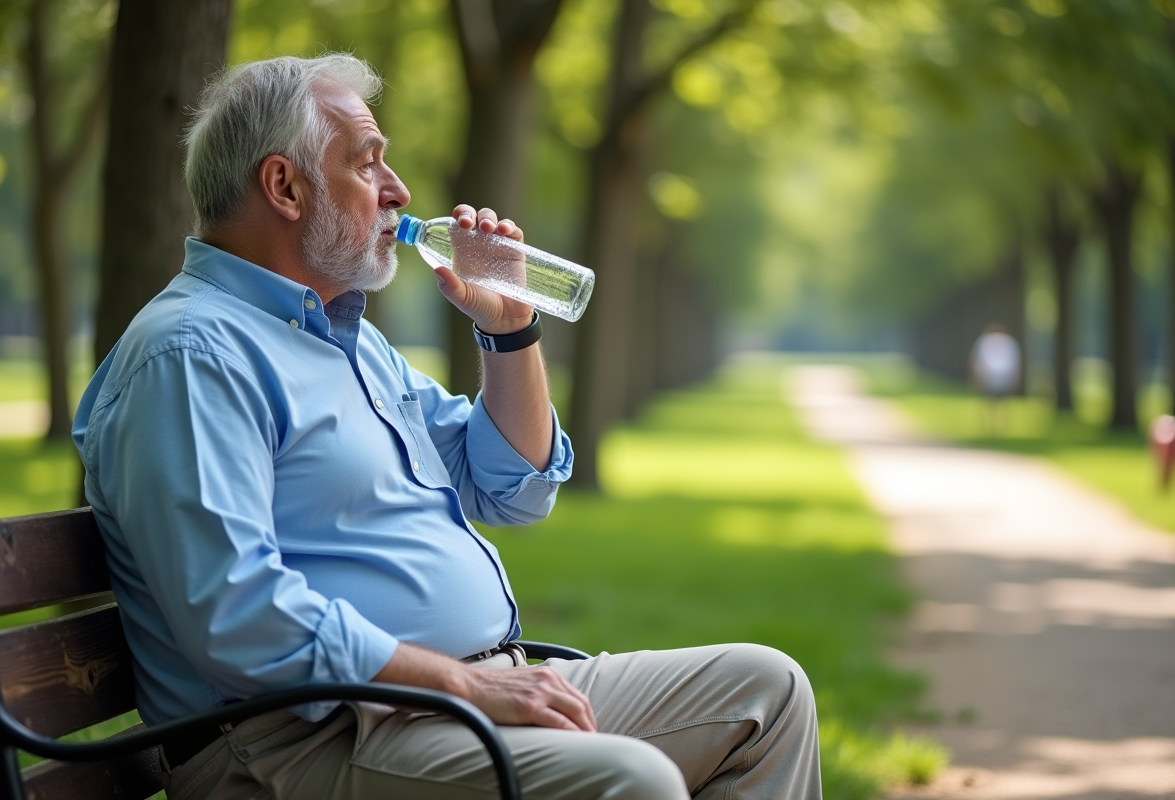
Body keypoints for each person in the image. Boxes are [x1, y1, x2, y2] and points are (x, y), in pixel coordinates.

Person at [72, 54, 821, 800]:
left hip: (465, 694)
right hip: (304, 741)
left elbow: (511, 489)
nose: (399, 192)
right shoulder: (192, 355)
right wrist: (459, 684)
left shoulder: (348, 339)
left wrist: (511, 332)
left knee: (768, 693)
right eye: (368, 166)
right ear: (285, 187)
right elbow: (234, 613)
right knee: (635, 781)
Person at [969, 323, 1021, 435]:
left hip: (991, 375)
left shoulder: (984, 341)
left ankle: (992, 428)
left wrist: (976, 377)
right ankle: (999, 428)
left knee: (990, 403)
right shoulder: (1009, 342)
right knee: (1002, 404)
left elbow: (976, 361)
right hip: (1001, 375)